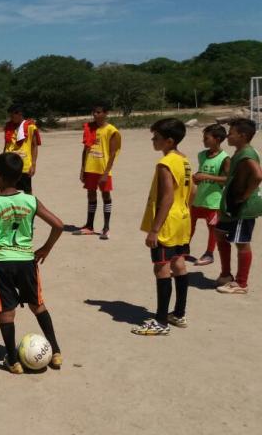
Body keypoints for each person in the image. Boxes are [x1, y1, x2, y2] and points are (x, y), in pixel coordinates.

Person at [0, 152, 64, 374]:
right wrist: (46, 247)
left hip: (1, 263)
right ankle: (56, 352)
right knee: (37, 304)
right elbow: (58, 225)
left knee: (7, 311)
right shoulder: (30, 200)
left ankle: (13, 361)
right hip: (26, 260)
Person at [134, 118, 192, 335]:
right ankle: (178, 313)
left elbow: (167, 197)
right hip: (182, 219)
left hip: (167, 223)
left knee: (161, 267)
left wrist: (155, 229)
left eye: (156, 138)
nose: (153, 140)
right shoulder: (184, 160)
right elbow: (192, 191)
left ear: (169, 141)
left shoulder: (166, 163)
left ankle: (160, 321)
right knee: (179, 263)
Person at [214, 118, 262, 294]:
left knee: (241, 242)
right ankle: (226, 274)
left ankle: (241, 283)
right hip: (231, 205)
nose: (228, 135)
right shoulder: (239, 151)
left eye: (231, 133)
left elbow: (258, 175)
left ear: (242, 136)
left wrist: (246, 195)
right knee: (219, 233)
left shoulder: (247, 153)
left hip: (243, 208)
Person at [73, 105, 121, 240]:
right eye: (93, 112)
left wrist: (106, 172)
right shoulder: (89, 127)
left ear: (106, 113)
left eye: (98, 112)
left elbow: (112, 154)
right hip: (90, 167)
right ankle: (89, 226)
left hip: (103, 168)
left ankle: (106, 227)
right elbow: (85, 149)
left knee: (106, 195)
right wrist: (82, 168)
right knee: (91, 195)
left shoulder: (112, 130)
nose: (95, 114)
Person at [189, 124, 230, 266]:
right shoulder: (202, 155)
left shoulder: (225, 158)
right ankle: (183, 249)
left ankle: (209, 254)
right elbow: (201, 174)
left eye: (206, 138)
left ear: (217, 139)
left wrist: (207, 176)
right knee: (189, 224)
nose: (203, 141)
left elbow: (228, 180)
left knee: (212, 229)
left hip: (213, 201)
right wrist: (196, 177)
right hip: (198, 198)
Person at [3, 105, 41, 194]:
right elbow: (6, 145)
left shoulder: (30, 127)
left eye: (12, 116)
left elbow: (34, 146)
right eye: (10, 116)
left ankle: (29, 207)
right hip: (9, 163)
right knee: (9, 190)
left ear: (19, 114)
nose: (11, 118)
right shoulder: (8, 126)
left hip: (24, 164)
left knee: (27, 191)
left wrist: (34, 164)